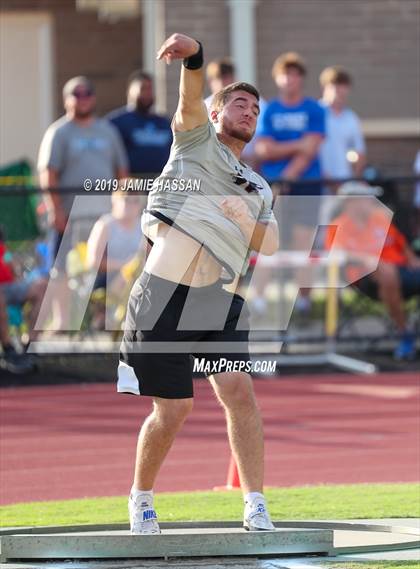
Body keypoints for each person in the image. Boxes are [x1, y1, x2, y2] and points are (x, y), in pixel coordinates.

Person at [117, 34, 279, 535]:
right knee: (174, 409)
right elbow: (188, 99)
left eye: (255, 107)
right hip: (164, 293)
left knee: (239, 391)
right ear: (216, 114)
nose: (248, 111)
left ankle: (254, 502)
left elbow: (269, 242)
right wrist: (195, 57)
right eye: (238, 102)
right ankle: (141, 497)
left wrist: (243, 215)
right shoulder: (195, 140)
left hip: (219, 300)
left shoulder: (258, 183)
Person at [38, 76, 128, 330]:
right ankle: (63, 322)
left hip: (104, 216)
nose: (83, 98)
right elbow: (48, 174)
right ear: (67, 99)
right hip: (70, 216)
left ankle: (107, 320)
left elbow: (122, 171)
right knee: (62, 271)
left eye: (87, 93)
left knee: (108, 269)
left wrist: (123, 208)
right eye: (76, 94)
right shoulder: (58, 132)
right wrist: (56, 209)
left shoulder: (107, 131)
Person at [254, 52, 325, 314]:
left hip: (306, 185)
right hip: (273, 186)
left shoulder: (314, 109)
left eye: (294, 74)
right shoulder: (270, 110)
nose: (289, 80)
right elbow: (262, 150)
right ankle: (259, 300)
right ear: (277, 79)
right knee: (268, 242)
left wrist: (287, 174)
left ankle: (304, 302)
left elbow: (312, 149)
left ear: (301, 79)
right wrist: (297, 145)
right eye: (284, 74)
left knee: (302, 244)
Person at [325, 181, 420, 360]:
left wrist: (413, 259)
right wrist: (367, 260)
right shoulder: (339, 225)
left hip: (400, 269)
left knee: (389, 270)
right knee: (385, 271)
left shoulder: (379, 219)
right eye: (366, 198)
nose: (372, 201)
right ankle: (404, 333)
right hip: (367, 279)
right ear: (351, 202)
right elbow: (336, 254)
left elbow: (401, 244)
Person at [108, 71, 172, 177]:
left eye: (150, 89)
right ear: (129, 91)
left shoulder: (164, 123)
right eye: (143, 88)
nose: (147, 93)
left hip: (162, 185)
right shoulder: (116, 122)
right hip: (132, 187)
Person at [319, 66, 366, 181]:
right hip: (317, 185)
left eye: (344, 86)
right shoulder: (315, 113)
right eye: (336, 85)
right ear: (324, 87)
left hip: (344, 187)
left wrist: (354, 180)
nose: (340, 90)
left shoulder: (352, 118)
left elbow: (359, 153)